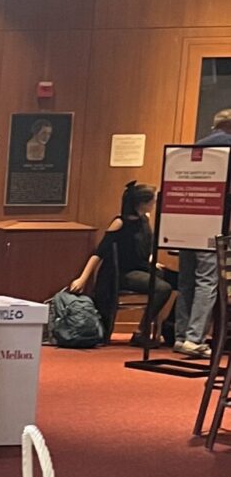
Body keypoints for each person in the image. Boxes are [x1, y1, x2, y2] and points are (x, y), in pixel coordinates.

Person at [68, 181, 175, 345]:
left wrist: (152, 261)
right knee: (163, 288)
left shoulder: (144, 219)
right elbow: (99, 253)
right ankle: (141, 331)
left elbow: (145, 248)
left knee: (184, 282)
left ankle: (171, 326)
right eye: (152, 201)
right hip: (123, 273)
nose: (154, 204)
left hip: (142, 268)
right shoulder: (120, 223)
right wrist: (82, 278)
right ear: (142, 203)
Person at [172, 109, 231, 358]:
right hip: (211, 222)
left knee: (186, 282)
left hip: (185, 223)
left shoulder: (192, 148)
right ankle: (195, 338)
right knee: (207, 282)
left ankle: (180, 335)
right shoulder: (227, 148)